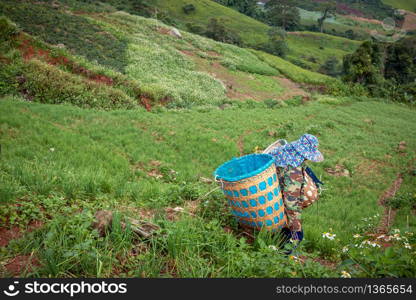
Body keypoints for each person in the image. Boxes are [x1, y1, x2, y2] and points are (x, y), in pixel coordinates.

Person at [266, 134, 324, 253]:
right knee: (297, 236)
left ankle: (274, 246)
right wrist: (295, 228)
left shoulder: (282, 151)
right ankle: (282, 257)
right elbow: (291, 203)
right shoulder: (294, 172)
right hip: (279, 205)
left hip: (270, 195)